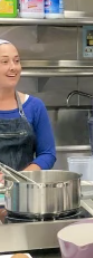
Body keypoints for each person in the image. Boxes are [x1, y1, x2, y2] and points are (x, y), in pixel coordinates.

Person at [0, 39, 56, 171]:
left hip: (24, 189)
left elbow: (47, 154)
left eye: (17, 60)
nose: (13, 67)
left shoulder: (35, 107)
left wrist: (20, 178)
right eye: (5, 61)